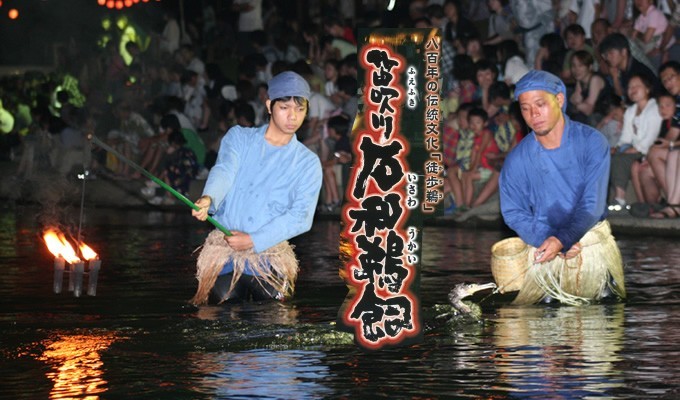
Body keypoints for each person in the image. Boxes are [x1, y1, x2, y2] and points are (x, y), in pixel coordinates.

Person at [190, 71, 322, 304]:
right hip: (225, 249)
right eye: (285, 108)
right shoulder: (239, 137)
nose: (293, 116)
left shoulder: (308, 162)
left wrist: (253, 240)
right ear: (270, 105)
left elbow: (301, 217)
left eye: (300, 109)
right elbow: (225, 170)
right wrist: (209, 198)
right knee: (221, 313)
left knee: (275, 317)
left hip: (269, 254)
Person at [498, 70, 626, 305]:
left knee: (606, 306)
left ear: (559, 99)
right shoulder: (516, 160)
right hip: (544, 246)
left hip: (589, 240)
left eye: (540, 104)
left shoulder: (592, 142)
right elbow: (513, 212)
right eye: (525, 108)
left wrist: (564, 239)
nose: (533, 114)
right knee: (547, 314)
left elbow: (592, 204)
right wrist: (550, 240)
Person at [609, 73, 662, 209]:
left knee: (621, 159)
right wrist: (617, 147)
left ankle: (620, 199)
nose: (632, 90)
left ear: (647, 89)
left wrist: (635, 149)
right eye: (629, 87)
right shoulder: (630, 111)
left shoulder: (655, 108)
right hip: (633, 148)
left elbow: (651, 136)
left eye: (636, 86)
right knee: (611, 156)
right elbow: (626, 137)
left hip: (649, 149)